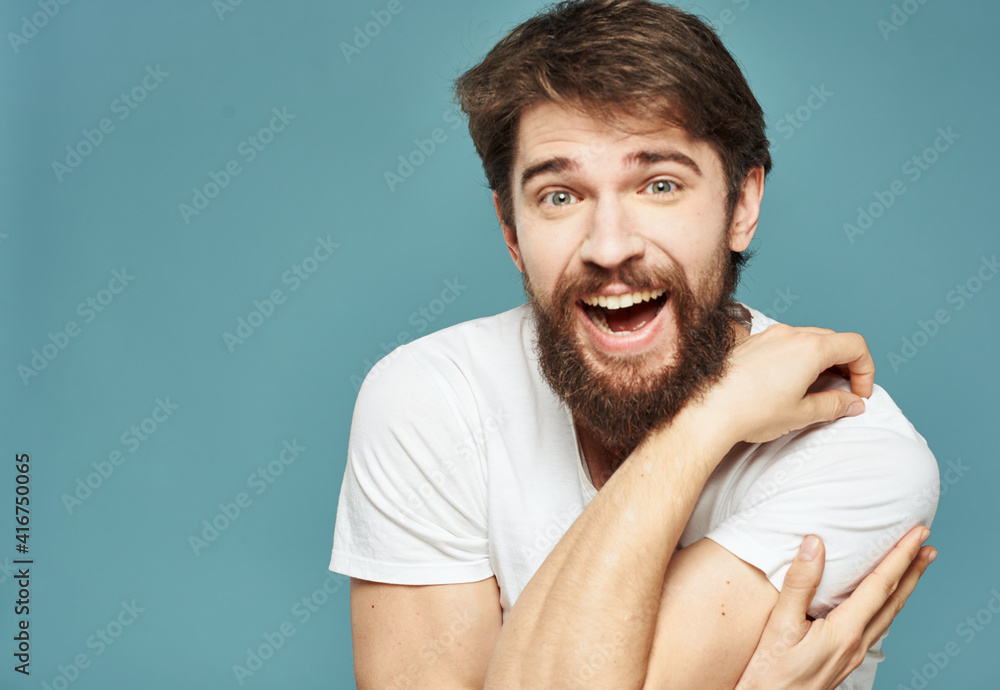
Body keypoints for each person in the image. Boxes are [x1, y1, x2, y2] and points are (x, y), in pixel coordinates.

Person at [328, 1, 940, 688]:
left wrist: (701, 421)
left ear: (741, 205)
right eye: (560, 196)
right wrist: (706, 421)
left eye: (660, 185)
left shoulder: (857, 451)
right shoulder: (433, 398)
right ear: (511, 232)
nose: (610, 245)